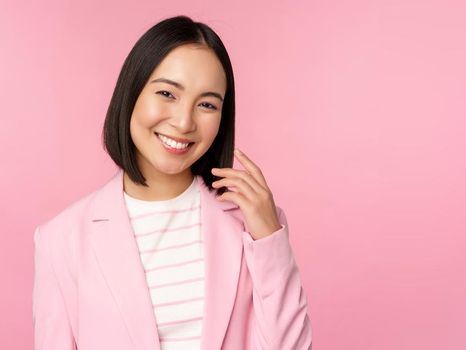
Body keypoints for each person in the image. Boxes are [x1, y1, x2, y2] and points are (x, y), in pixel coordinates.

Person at [33, 15, 312, 350]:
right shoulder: (61, 239)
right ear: (132, 92)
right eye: (167, 93)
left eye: (207, 104)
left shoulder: (252, 226)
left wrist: (269, 239)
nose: (183, 122)